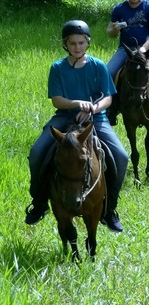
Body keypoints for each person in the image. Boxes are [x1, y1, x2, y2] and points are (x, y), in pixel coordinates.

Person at [26, 20, 129, 232]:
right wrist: (75, 103)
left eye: (81, 42)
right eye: (72, 43)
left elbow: (108, 98)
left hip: (95, 119)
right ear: (65, 44)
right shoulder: (57, 68)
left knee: (120, 156)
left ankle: (110, 209)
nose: (77, 47)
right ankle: (38, 203)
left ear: (87, 42)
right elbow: (56, 100)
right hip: (64, 118)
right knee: (37, 152)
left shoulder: (98, 66)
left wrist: (92, 108)